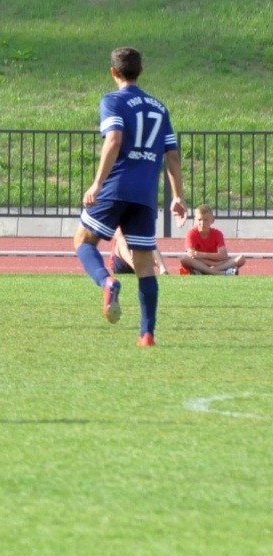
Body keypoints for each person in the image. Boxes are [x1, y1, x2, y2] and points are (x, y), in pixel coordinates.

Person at [71, 46, 187, 347]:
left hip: (116, 187)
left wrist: (97, 183)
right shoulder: (160, 107)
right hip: (145, 194)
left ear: (113, 72)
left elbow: (114, 139)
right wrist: (177, 196)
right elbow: (172, 155)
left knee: (83, 241)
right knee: (145, 264)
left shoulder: (113, 100)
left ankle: (107, 281)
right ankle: (147, 334)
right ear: (141, 71)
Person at [179, 205, 247, 275]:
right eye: (199, 220)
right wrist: (214, 263)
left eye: (205, 220)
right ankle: (220, 273)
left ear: (212, 220)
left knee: (241, 258)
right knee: (184, 259)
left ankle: (206, 271)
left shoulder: (217, 233)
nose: (202, 223)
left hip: (213, 263)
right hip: (201, 263)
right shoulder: (191, 233)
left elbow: (223, 255)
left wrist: (200, 255)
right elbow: (191, 255)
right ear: (195, 220)